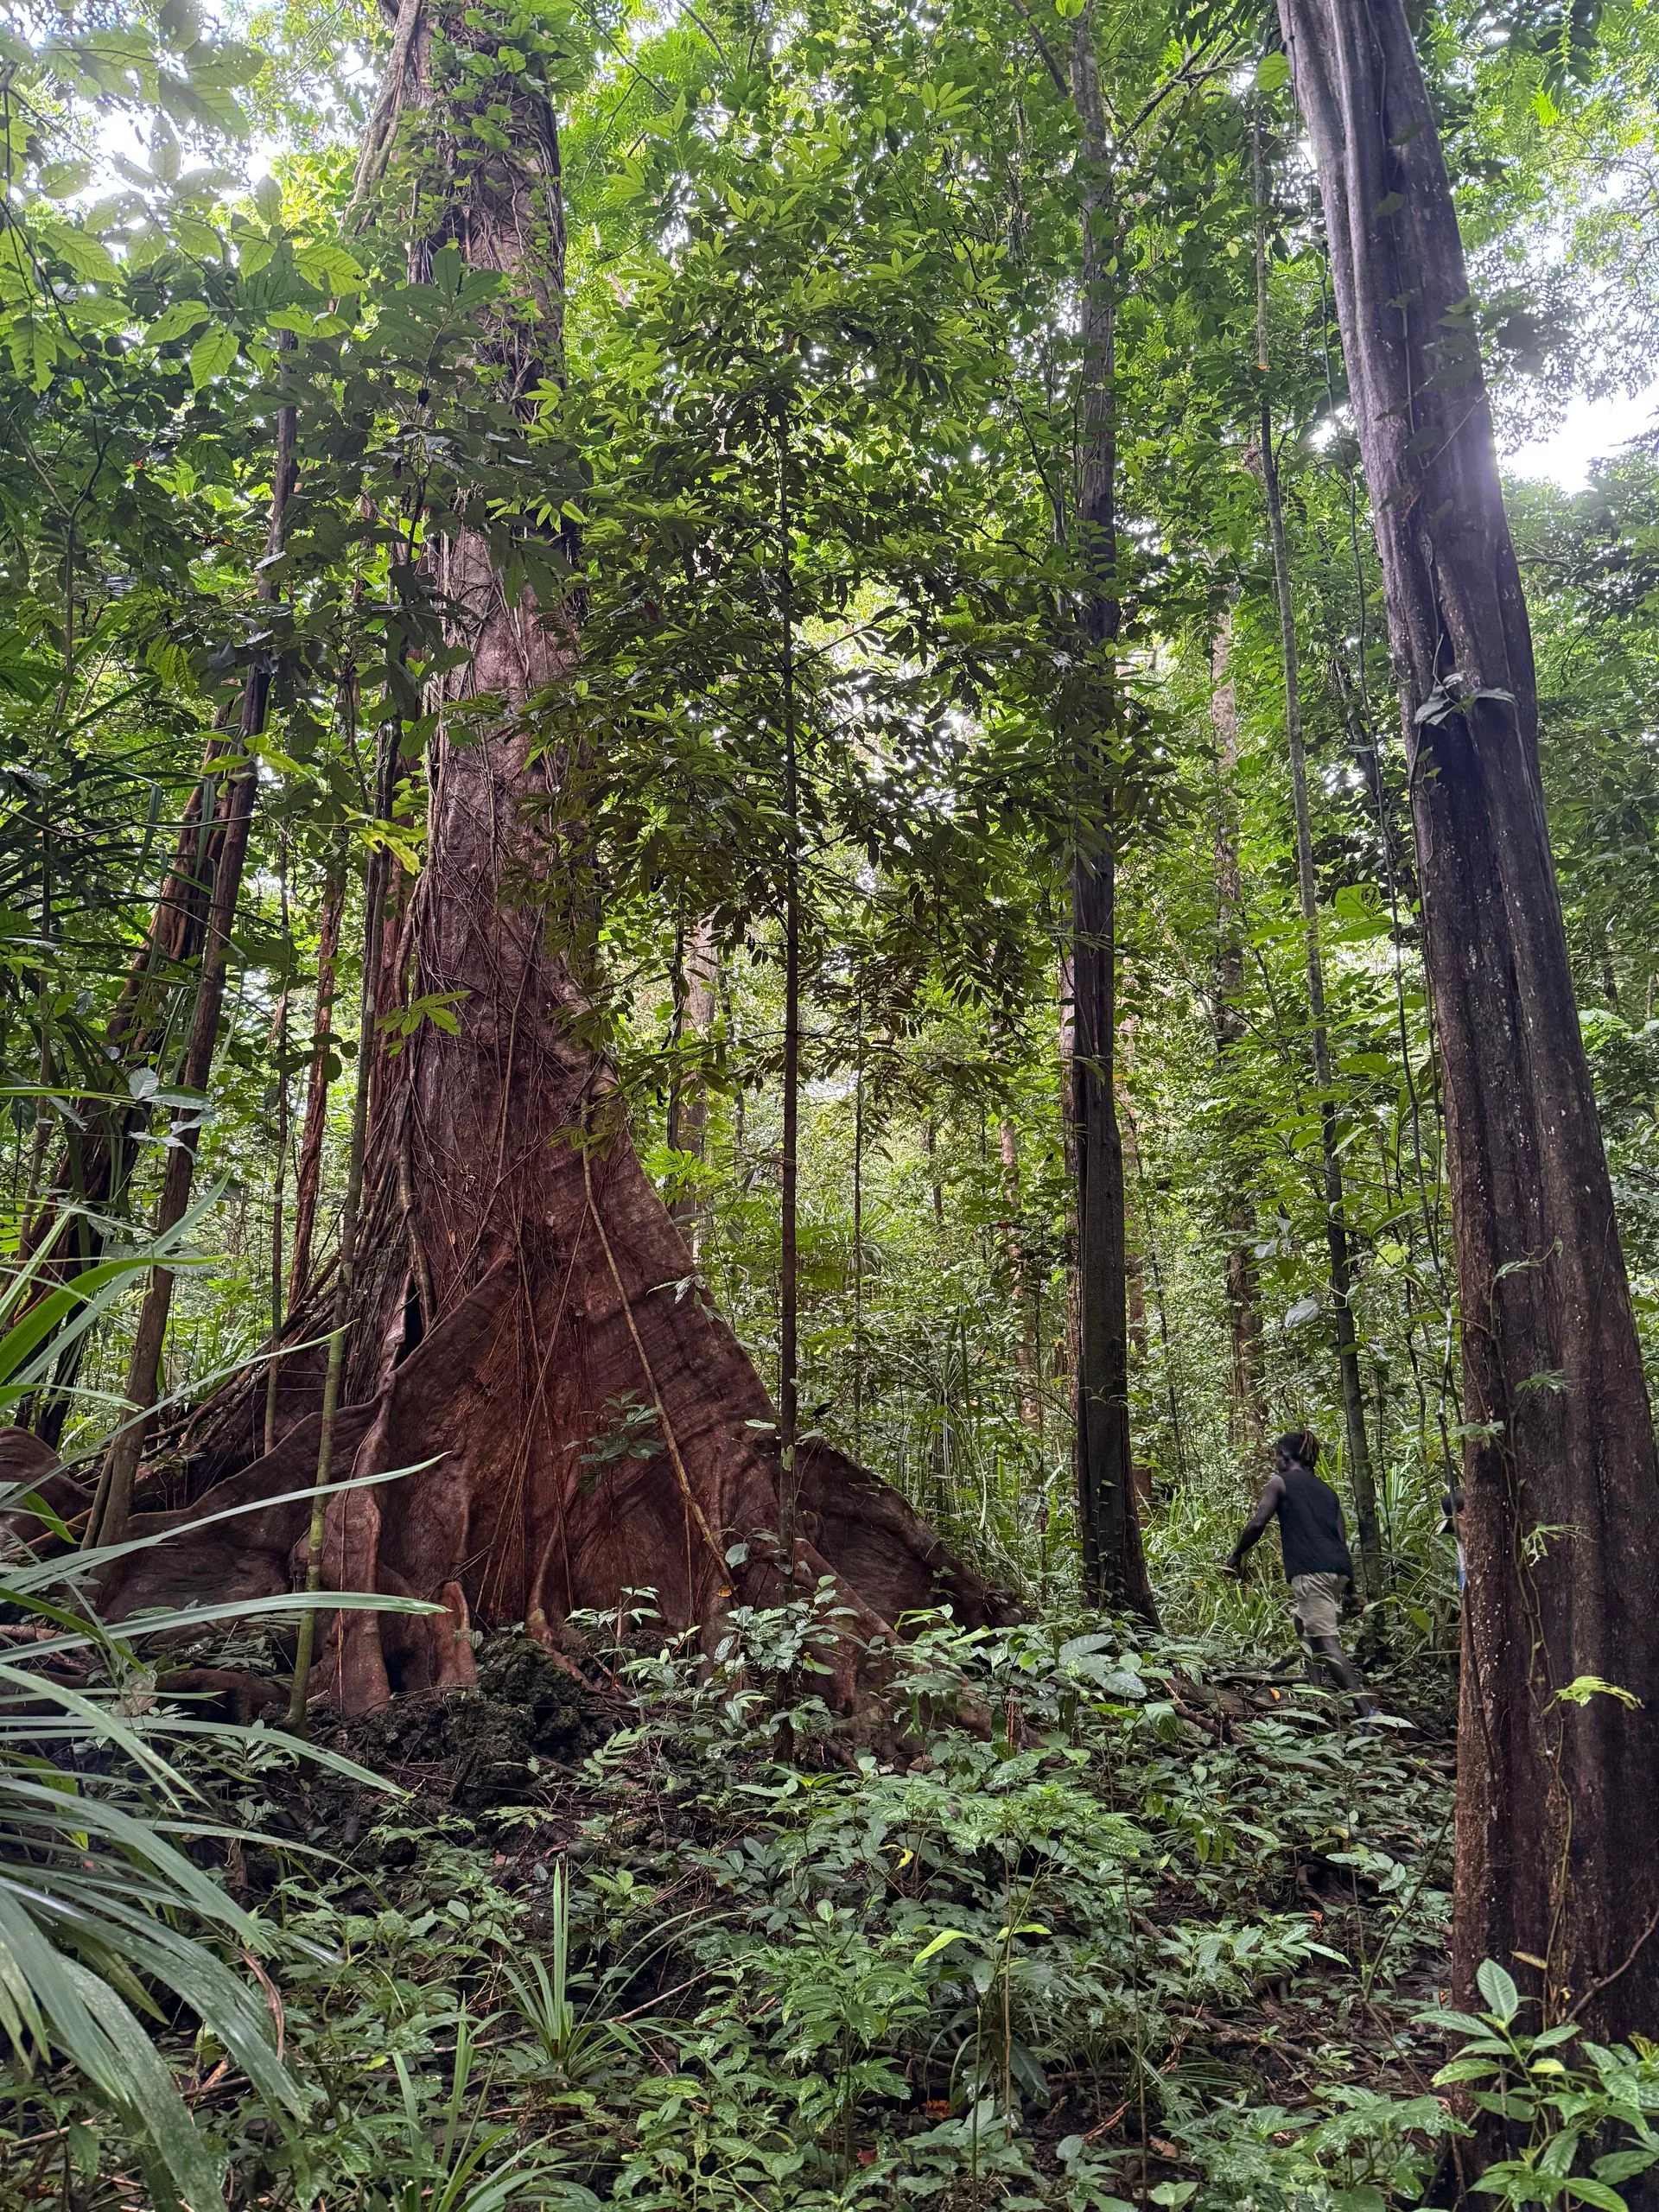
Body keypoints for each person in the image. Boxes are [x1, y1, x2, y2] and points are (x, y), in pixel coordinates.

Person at [1224, 1428, 1376, 1716]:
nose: (1274, 1463)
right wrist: (1351, 1590)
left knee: (1326, 1640)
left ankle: (1366, 1709)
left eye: (1275, 1456)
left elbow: (1258, 1523)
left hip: (1312, 1572)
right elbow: (1341, 1541)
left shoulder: (1279, 1483)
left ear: (1284, 1456)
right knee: (1304, 1625)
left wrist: (1236, 1554)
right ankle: (1315, 1692)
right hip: (1336, 1571)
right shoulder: (1328, 1492)